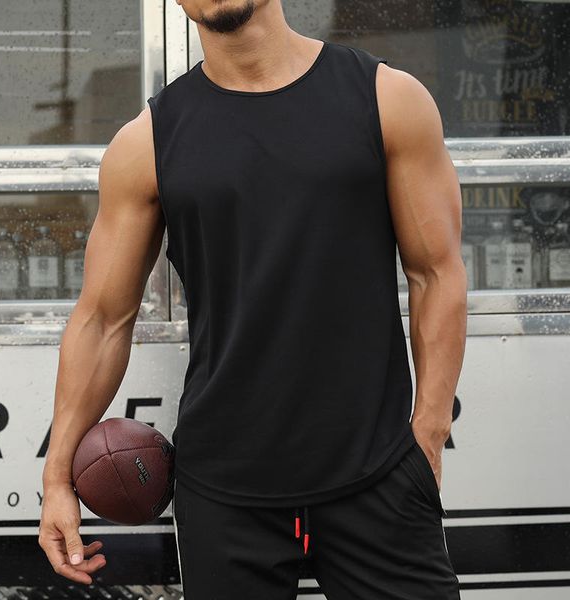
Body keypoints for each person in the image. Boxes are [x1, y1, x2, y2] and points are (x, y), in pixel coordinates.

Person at [39, 0, 467, 597]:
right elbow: (103, 319)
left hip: (377, 472)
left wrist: (427, 435)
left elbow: (436, 273)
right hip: (223, 491)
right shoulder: (148, 143)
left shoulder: (385, 98)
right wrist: (57, 478)